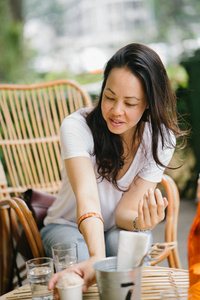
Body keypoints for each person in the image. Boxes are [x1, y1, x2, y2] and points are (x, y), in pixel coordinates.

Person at [40, 42, 185, 295]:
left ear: (149, 103)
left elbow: (124, 214)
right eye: (109, 97)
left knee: (127, 254)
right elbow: (87, 197)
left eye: (130, 103)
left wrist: (142, 221)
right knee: (80, 263)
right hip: (67, 224)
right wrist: (96, 257)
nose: (116, 111)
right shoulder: (76, 127)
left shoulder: (161, 139)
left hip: (117, 227)